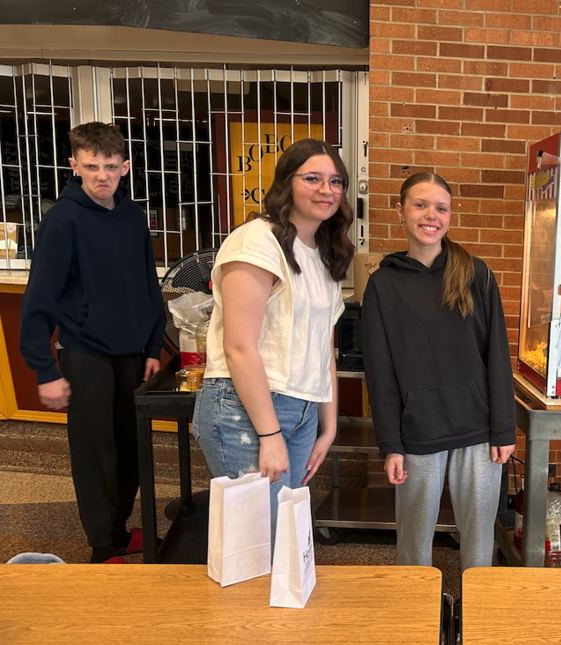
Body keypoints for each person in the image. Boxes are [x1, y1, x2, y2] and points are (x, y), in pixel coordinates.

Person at [192, 139, 353, 549]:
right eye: (312, 178)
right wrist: (269, 435)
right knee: (257, 543)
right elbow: (239, 347)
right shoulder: (257, 241)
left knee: (287, 538)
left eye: (335, 181)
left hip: (300, 410)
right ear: (287, 183)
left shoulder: (324, 254)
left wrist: (328, 425)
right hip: (245, 409)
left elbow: (323, 348)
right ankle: (241, 616)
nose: (326, 189)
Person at [20, 122, 166, 564]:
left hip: (132, 353)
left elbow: (147, 283)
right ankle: (103, 545)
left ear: (125, 167)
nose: (102, 176)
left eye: (110, 166)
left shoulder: (134, 215)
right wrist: (46, 371)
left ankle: (119, 531)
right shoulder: (62, 221)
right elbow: (39, 301)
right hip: (84, 353)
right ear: (74, 166)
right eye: (91, 167)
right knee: (94, 450)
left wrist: (154, 346)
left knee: (130, 447)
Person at [361, 173, 516, 571]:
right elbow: (380, 373)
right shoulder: (382, 285)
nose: (431, 215)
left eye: (441, 208)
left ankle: (478, 613)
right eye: (420, 205)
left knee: (480, 538)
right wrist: (390, 443)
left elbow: (497, 355)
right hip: (417, 430)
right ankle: (412, 612)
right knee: (413, 540)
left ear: (449, 216)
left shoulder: (475, 274)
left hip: (477, 430)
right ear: (400, 211)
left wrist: (504, 429)